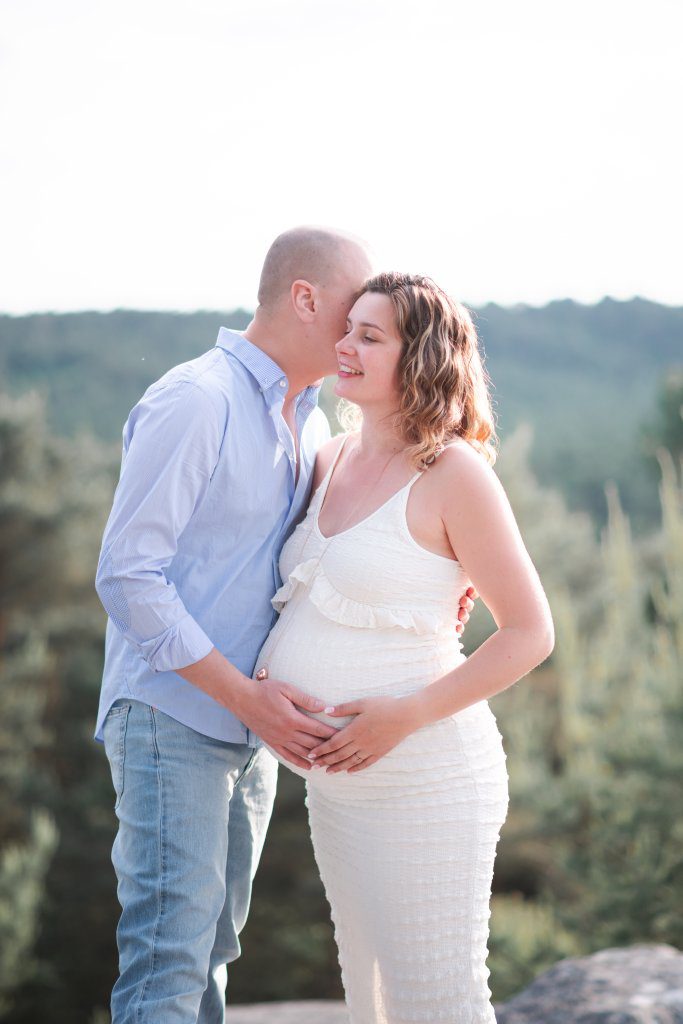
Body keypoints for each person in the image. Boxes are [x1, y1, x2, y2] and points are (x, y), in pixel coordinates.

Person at [94, 229, 476, 1024]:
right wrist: (245, 698)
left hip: (257, 731)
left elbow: (313, 564)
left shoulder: (312, 426)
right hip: (176, 715)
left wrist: (442, 577)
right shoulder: (197, 400)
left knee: (211, 953)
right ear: (305, 298)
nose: (356, 335)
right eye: (351, 312)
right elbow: (127, 576)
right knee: (169, 958)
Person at [253, 272, 555, 1024]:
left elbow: (529, 632)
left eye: (370, 336)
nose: (345, 347)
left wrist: (405, 714)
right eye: (346, 330)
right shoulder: (328, 458)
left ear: (420, 357)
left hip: (428, 777)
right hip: (337, 786)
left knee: (438, 1000)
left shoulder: (454, 474)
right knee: (372, 998)